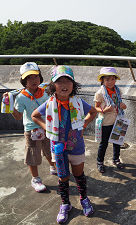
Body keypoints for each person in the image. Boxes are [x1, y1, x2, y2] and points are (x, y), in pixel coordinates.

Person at [31, 65, 97, 224]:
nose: (64, 84)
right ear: (53, 85)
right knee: (63, 177)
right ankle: (65, 204)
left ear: (73, 85)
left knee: (79, 174)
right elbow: (35, 116)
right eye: (59, 81)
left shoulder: (78, 102)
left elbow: (93, 112)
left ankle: (84, 199)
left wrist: (84, 124)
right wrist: (48, 128)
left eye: (68, 80)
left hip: (77, 146)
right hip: (58, 147)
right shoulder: (49, 104)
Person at [2, 62, 56, 192]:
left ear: (40, 77)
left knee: (50, 150)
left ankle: (53, 167)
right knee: (33, 155)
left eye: (35, 76)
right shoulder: (21, 97)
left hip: (47, 126)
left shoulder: (46, 91)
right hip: (32, 130)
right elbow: (18, 117)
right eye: (29, 78)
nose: (33, 80)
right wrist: (10, 107)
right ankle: (35, 179)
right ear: (23, 81)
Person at [93, 67, 127, 173]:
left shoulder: (117, 91)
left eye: (112, 79)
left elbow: (120, 105)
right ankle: (100, 162)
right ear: (102, 80)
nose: (110, 82)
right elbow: (96, 107)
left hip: (118, 120)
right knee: (104, 143)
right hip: (106, 122)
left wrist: (123, 106)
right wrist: (104, 110)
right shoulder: (100, 93)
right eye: (107, 79)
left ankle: (116, 159)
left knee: (117, 142)